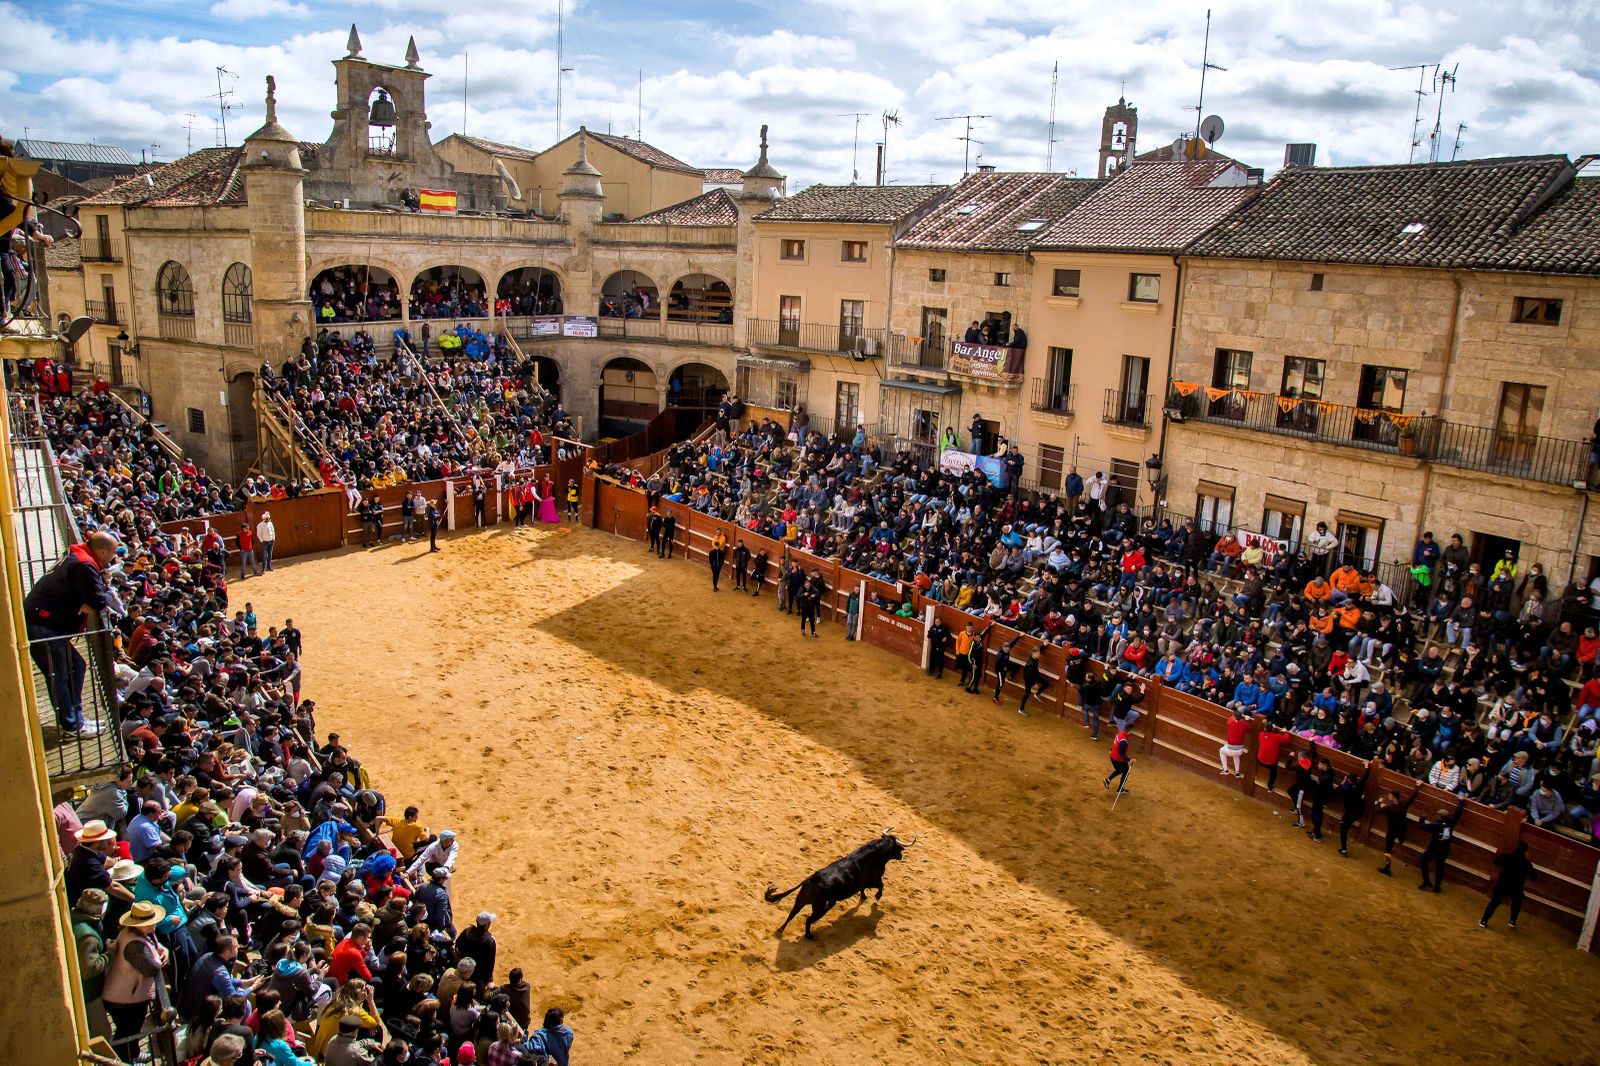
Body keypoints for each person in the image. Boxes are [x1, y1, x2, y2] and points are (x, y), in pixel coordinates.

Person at [24, 529, 120, 735]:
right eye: (113, 552)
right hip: (44, 626)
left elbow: (94, 598)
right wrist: (104, 592)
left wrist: (96, 593)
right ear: (102, 551)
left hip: (47, 623)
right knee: (59, 675)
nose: (114, 557)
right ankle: (71, 724)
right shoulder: (84, 565)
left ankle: (77, 719)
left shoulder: (79, 556)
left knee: (76, 666)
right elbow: (99, 600)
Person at [102, 900, 169, 1059]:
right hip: (125, 1001)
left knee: (129, 1032)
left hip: (124, 996)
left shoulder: (131, 933)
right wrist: (159, 960)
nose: (152, 927)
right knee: (127, 1033)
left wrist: (162, 950)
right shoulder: (134, 944)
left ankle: (134, 1055)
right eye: (148, 924)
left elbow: (152, 946)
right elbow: (150, 968)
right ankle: (127, 1059)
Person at [1480, 841, 1539, 929]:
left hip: (1503, 884)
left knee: (1494, 903)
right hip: (1516, 887)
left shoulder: (1507, 856)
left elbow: (1496, 862)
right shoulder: (1527, 863)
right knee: (1516, 903)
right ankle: (1512, 921)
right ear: (1525, 852)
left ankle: (1484, 920)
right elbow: (1534, 877)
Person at [1417, 797, 1466, 892]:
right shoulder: (1450, 823)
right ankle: (1437, 886)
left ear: (1439, 816)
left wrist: (1422, 818)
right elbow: (1458, 812)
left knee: (1423, 861)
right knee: (1440, 867)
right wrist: (1461, 801)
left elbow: (1422, 826)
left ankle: (1427, 882)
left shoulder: (1436, 825)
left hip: (1434, 849)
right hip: (1444, 850)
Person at [1375, 781, 1423, 876]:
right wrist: (1417, 786)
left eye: (1389, 796)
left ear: (1393, 797)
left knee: (1388, 849)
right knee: (1397, 838)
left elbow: (1377, 810)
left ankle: (1387, 868)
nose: (1388, 797)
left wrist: (1378, 802)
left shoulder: (1390, 807)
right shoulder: (1403, 805)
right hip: (1401, 829)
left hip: (1392, 830)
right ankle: (1401, 838)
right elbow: (1412, 797)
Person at [1335, 759, 1376, 856]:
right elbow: (1365, 776)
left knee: (1343, 830)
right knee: (1349, 821)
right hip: (1358, 811)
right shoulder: (1359, 785)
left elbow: (1336, 791)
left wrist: (1343, 782)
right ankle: (1351, 823)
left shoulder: (1346, 789)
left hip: (1349, 812)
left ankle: (1344, 849)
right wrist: (1366, 765)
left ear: (1349, 779)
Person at [1219, 707, 1250, 778]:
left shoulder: (1230, 722)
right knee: (1236, 756)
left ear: (1234, 717)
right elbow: (1248, 728)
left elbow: (1231, 719)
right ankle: (1237, 772)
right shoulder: (1244, 724)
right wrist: (1247, 720)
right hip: (1240, 750)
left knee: (1221, 751)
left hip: (1230, 749)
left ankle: (1225, 770)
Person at [992, 634, 1022, 706]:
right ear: (1003, 648)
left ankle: (1010, 677)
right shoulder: (1000, 655)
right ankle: (995, 698)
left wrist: (1019, 636)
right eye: (1006, 649)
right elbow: (997, 663)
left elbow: (1012, 643)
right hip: (999, 670)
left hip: (1006, 666)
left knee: (1017, 666)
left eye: (1008, 649)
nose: (1007, 650)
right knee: (1001, 684)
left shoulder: (1008, 649)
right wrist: (1004, 668)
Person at [1104, 728, 1134, 794]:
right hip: (1118, 759)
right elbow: (1121, 753)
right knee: (1126, 770)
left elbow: (1116, 745)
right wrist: (1129, 760)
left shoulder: (1120, 734)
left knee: (1119, 770)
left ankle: (1108, 780)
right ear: (1130, 732)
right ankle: (1120, 789)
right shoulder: (1124, 741)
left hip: (1112, 757)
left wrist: (1112, 749)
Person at [1018, 648, 1047, 715]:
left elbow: (1038, 649)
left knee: (1045, 683)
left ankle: (1037, 694)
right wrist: (1033, 684)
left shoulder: (1034, 657)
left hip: (1035, 675)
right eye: (1038, 654)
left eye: (1039, 653)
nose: (1039, 655)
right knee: (1027, 693)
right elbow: (1028, 675)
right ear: (1033, 653)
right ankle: (1021, 709)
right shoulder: (1030, 664)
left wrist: (1044, 645)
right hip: (1028, 679)